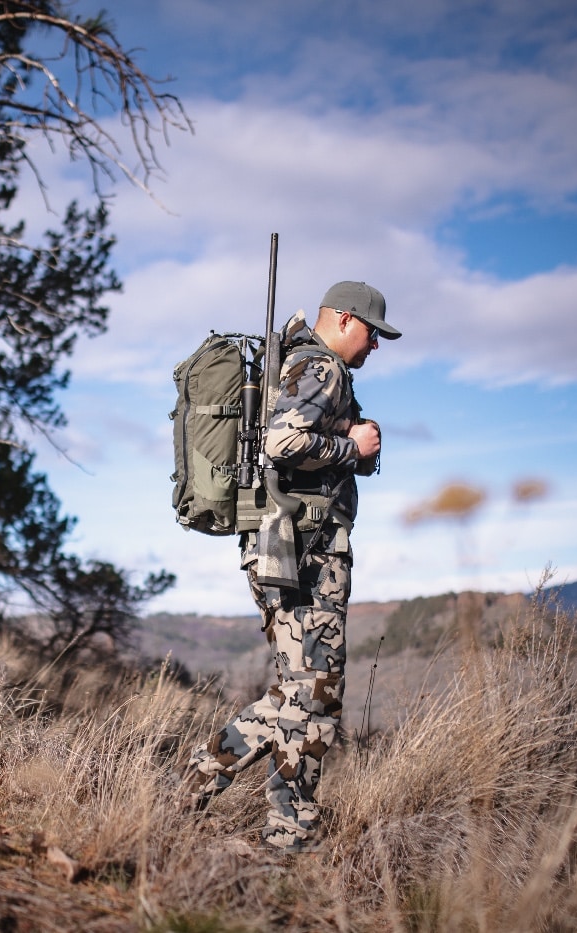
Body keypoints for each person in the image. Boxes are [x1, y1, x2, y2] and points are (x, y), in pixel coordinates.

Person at [180, 280, 400, 852]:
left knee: (291, 695)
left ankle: (194, 787)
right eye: (374, 333)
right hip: (306, 557)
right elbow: (284, 441)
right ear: (346, 320)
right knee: (317, 700)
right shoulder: (320, 367)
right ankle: (289, 836)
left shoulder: (297, 363)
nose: (376, 346)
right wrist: (354, 448)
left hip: (283, 549)